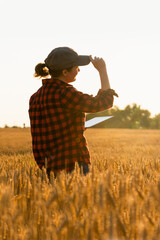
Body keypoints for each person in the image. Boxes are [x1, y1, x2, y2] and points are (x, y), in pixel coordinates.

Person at [29, 47, 118, 177]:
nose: (79, 69)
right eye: (76, 67)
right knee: (83, 197)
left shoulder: (35, 97)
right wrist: (102, 70)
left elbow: (54, 128)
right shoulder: (64, 92)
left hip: (48, 167)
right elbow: (104, 102)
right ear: (65, 72)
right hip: (73, 163)